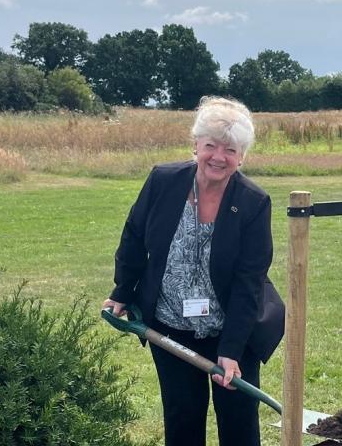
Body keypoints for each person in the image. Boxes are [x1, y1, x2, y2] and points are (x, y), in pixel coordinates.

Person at [102, 96, 284, 446]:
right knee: (182, 418)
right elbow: (135, 237)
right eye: (210, 146)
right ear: (195, 146)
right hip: (171, 327)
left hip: (232, 327)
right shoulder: (163, 181)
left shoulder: (252, 202)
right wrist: (122, 291)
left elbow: (250, 281)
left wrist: (230, 350)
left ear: (241, 156)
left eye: (230, 149)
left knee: (239, 423)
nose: (218, 156)